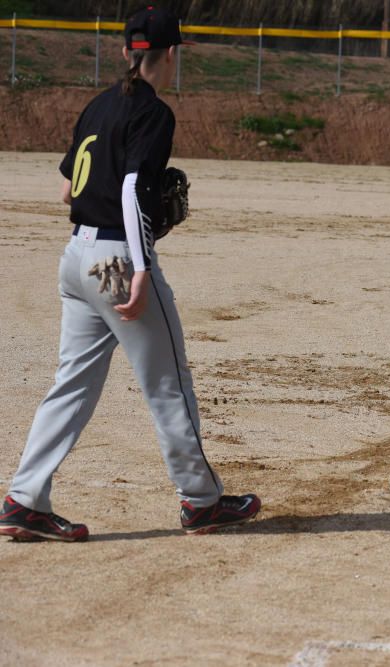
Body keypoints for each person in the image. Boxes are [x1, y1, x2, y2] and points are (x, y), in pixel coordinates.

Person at [0, 6, 260, 542]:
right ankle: (202, 500)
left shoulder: (98, 106)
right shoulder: (153, 113)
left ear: (125, 52)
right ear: (171, 54)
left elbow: (68, 188)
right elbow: (132, 188)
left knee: (70, 385)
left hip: (76, 257)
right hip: (116, 262)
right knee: (169, 384)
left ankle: (24, 500)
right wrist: (140, 267)